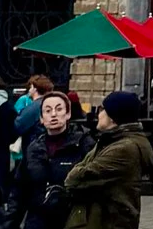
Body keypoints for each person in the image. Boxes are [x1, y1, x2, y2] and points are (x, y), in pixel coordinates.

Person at [60, 92, 153, 229]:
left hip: (109, 222)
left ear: (113, 117)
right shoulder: (112, 140)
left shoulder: (123, 148)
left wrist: (76, 171)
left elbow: (74, 180)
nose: (98, 114)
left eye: (102, 109)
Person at [9, 91, 92, 229]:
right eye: (47, 111)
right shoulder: (34, 147)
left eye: (59, 109)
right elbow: (19, 190)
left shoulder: (84, 143)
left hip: (71, 221)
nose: (53, 114)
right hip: (38, 221)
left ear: (68, 114)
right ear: (41, 118)